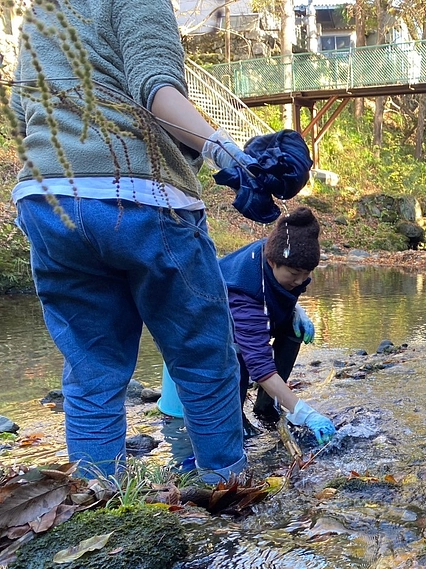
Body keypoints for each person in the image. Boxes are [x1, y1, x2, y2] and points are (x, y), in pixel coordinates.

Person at [10, 0, 254, 482]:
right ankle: (227, 488)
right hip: (139, 193)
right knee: (202, 353)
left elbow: (23, 115)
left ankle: (99, 505)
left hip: (48, 200)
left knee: (91, 367)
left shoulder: (40, 12)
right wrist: (228, 154)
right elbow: (155, 89)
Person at [218, 208, 335, 445]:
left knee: (294, 329)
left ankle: (266, 405)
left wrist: (295, 310)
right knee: (239, 357)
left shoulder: (285, 252)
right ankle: (234, 417)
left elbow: (286, 284)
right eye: (294, 274)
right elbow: (259, 364)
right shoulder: (245, 291)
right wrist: (304, 413)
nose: (300, 281)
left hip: (255, 312)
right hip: (216, 327)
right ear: (272, 262)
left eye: (307, 274)